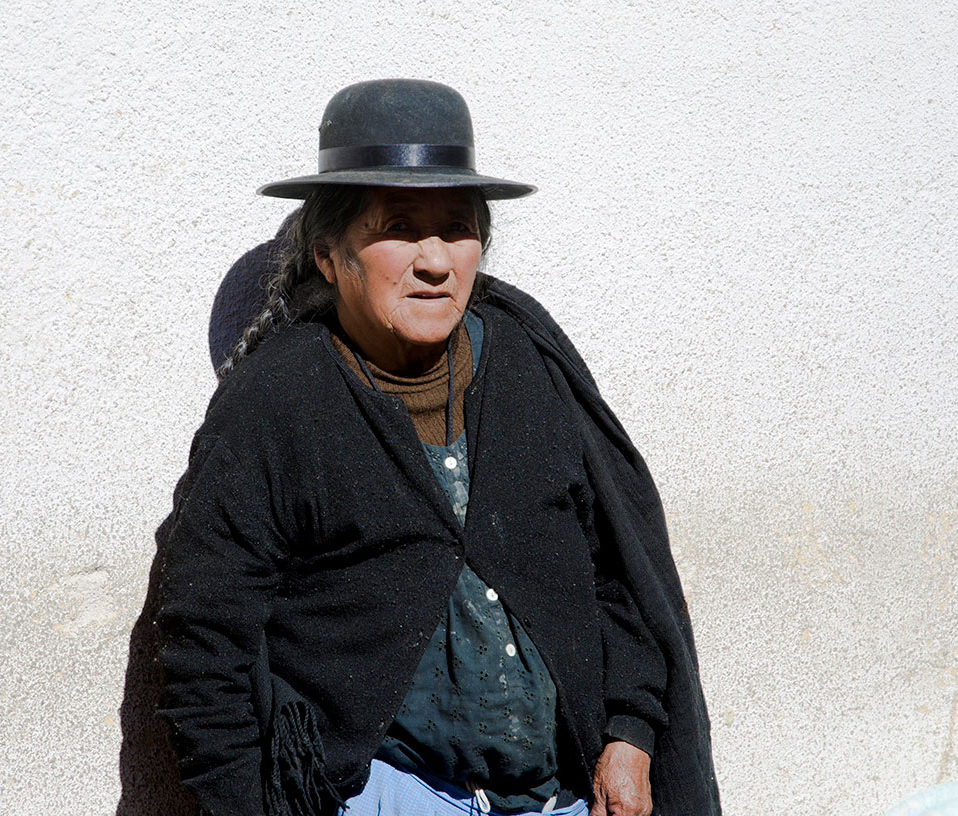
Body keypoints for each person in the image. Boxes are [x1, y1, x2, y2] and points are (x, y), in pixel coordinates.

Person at [136, 79, 722, 816]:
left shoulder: (529, 366)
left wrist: (632, 731)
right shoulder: (275, 404)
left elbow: (618, 568)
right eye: (400, 228)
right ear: (328, 255)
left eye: (456, 228)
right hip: (379, 795)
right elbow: (205, 640)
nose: (436, 261)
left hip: (570, 795)